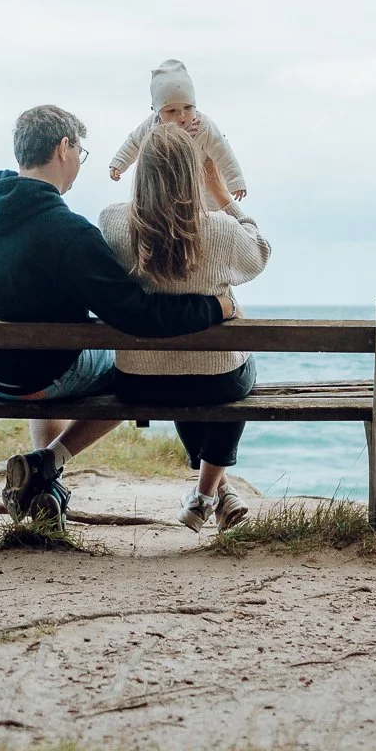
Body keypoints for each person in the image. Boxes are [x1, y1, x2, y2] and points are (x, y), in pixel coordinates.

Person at [0, 104, 235, 529]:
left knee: (40, 350)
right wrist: (215, 307)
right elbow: (138, 316)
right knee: (136, 368)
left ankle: (45, 487)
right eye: (81, 153)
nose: (79, 164)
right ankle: (50, 464)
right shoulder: (69, 232)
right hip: (34, 378)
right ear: (64, 148)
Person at [99, 124, 269, 534]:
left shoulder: (111, 222)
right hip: (216, 382)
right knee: (228, 374)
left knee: (178, 367)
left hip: (140, 380)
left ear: (143, 174)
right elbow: (260, 254)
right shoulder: (221, 230)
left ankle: (213, 494)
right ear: (193, 174)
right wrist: (226, 198)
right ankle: (207, 494)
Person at [108, 58, 247, 200]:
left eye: (188, 108)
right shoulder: (152, 126)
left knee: (209, 212)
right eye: (171, 111)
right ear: (157, 111)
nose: (181, 116)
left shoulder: (203, 127)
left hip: (205, 190)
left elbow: (224, 153)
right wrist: (119, 163)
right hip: (168, 190)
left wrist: (235, 181)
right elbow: (134, 142)